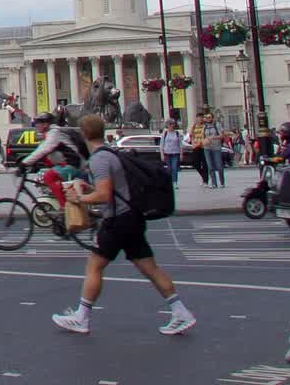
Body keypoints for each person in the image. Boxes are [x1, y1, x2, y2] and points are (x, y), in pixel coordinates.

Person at [51, 114, 195, 336]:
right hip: (131, 217)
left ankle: (82, 317)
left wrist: (79, 198)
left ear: (83, 134)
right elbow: (113, 189)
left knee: (94, 266)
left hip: (117, 221)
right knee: (149, 268)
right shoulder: (111, 153)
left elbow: (105, 194)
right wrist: (88, 189)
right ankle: (180, 311)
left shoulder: (99, 159)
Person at [20, 112, 88, 215]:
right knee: (47, 175)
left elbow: (43, 150)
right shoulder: (50, 133)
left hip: (72, 164)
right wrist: (30, 162)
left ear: (45, 124)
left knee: (49, 177)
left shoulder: (54, 133)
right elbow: (40, 152)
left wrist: (24, 163)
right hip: (67, 163)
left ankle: (65, 207)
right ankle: (63, 201)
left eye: (37, 123)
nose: (36, 125)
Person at [189, 112, 217, 187]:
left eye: (202, 117)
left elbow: (206, 137)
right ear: (197, 118)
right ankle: (204, 177)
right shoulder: (194, 126)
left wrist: (199, 143)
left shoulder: (205, 126)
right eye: (199, 117)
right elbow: (191, 135)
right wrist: (193, 143)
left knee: (205, 164)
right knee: (195, 164)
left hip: (203, 147)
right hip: (196, 147)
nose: (200, 119)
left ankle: (205, 181)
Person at [159, 120, 184, 187]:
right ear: (167, 125)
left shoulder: (177, 133)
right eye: (170, 124)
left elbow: (180, 144)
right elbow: (161, 145)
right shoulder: (165, 133)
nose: (171, 126)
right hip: (167, 153)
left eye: (173, 124)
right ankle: (169, 182)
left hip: (175, 153)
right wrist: (162, 154)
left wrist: (181, 154)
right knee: (169, 169)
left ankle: (175, 182)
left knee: (174, 168)